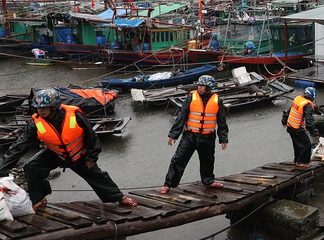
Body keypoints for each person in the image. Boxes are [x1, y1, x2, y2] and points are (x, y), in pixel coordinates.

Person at [0, 89, 138, 210]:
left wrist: (91, 157)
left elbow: (91, 136)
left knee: (98, 176)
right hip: (56, 153)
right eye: (37, 107)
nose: (40, 110)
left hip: (79, 154)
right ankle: (39, 199)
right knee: (31, 166)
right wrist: (2, 169)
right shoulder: (35, 123)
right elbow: (20, 145)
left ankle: (119, 197)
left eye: (44, 107)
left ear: (54, 107)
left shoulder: (75, 115)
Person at [159, 75, 228, 194]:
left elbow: (221, 121)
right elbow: (181, 116)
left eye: (202, 86)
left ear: (208, 88)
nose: (199, 87)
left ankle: (208, 181)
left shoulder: (217, 100)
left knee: (208, 160)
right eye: (199, 85)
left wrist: (223, 138)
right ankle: (168, 184)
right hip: (190, 136)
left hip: (208, 137)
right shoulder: (191, 97)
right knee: (178, 159)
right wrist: (173, 135)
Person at [281, 87, 320, 168]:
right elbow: (309, 122)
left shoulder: (297, 99)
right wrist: (315, 133)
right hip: (297, 129)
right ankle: (302, 162)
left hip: (290, 127)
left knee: (297, 145)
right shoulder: (307, 105)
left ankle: (296, 160)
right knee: (307, 145)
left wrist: (284, 121)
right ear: (313, 97)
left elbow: (289, 111)